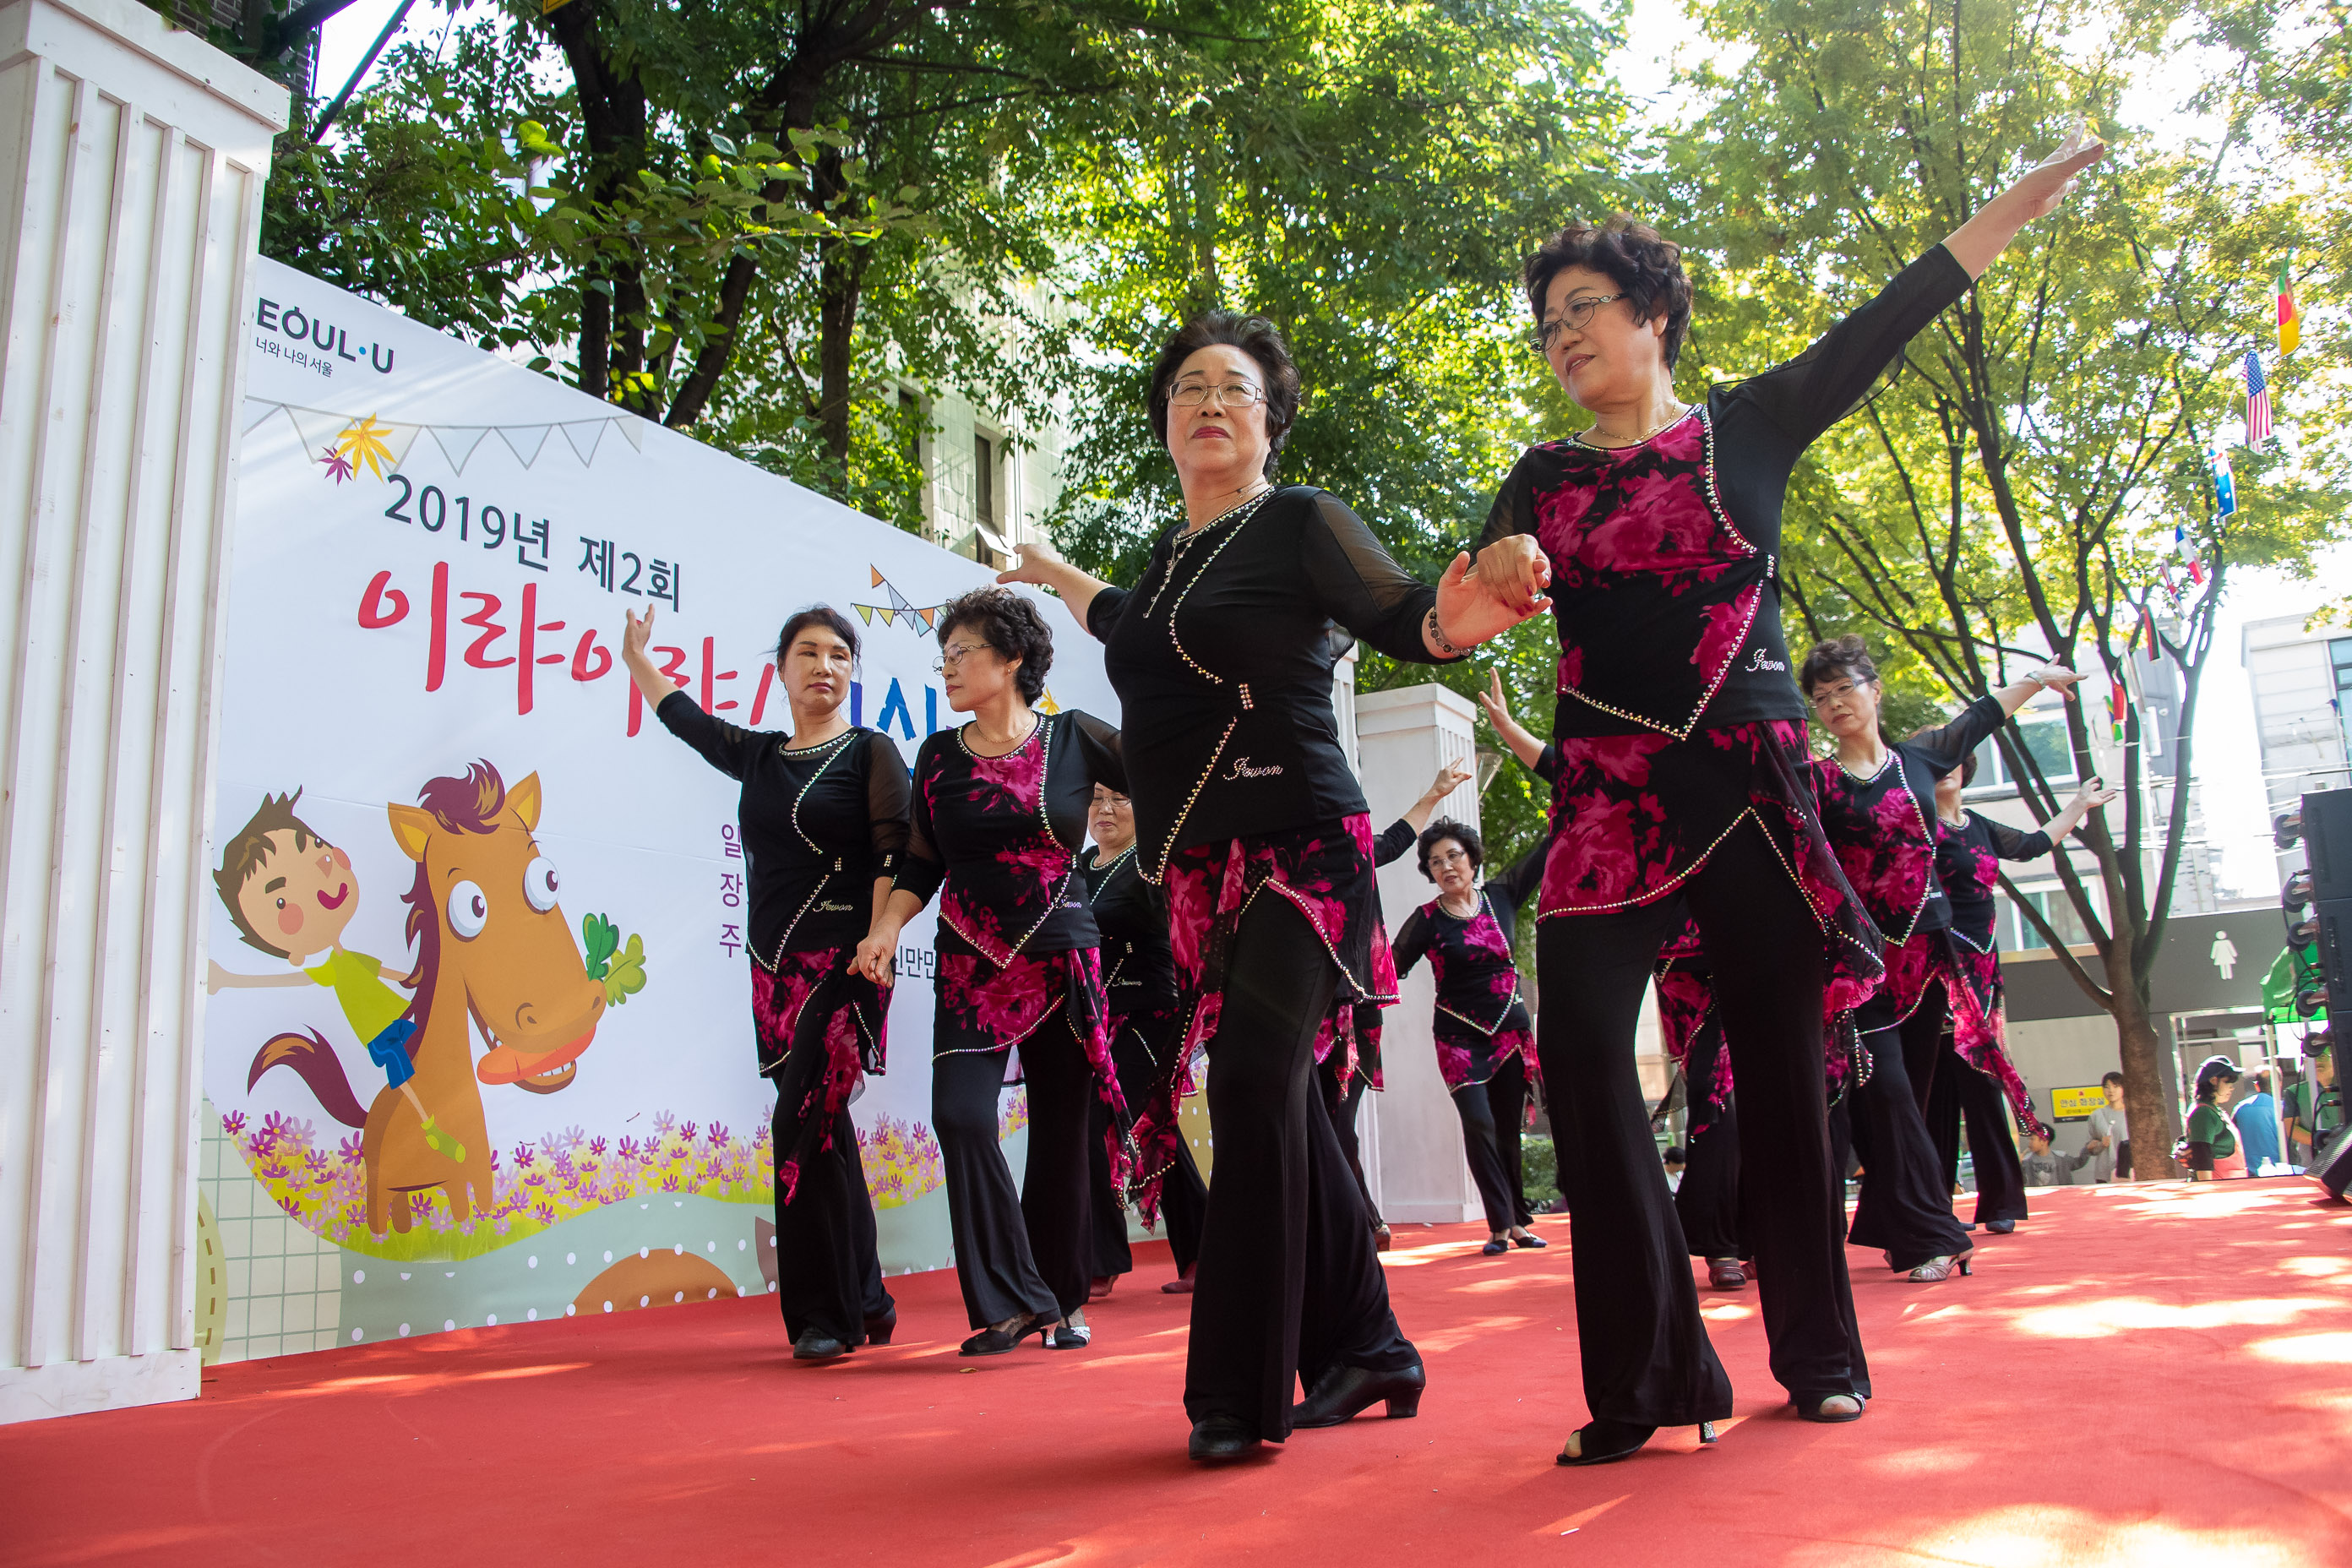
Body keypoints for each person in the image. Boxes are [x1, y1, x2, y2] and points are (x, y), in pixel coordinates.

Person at [1465, 125, 2104, 1462]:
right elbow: (1473, 597)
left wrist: (2015, 206)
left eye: (1583, 307)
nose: (1561, 334)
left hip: (1752, 783)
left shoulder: (1751, 425)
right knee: (1580, 1052)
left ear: (1653, 313)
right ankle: (1647, 1377)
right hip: (1601, 794)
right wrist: (1500, 568)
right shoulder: (1542, 475)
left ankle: (1818, 1354)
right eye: (1545, 323)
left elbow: (1891, 316)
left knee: (1782, 1067)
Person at [999, 310, 1537, 1461]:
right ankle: (1370, 1348)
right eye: (1187, 385)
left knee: (1248, 1087)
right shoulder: (1169, 560)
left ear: (1270, 420)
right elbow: (1133, 632)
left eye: (1234, 387)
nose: (1207, 401)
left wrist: (1459, 617)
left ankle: (1235, 1398)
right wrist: (1051, 574)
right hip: (1204, 874)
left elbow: (1403, 613)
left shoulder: (1300, 522)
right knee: (1281, 1102)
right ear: (1165, 422)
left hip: (1301, 846)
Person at [852, 588, 1128, 1356]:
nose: (947, 667)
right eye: (943, 656)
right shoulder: (938, 755)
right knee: (962, 1118)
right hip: (970, 962)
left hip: (1061, 956)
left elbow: (1163, 776)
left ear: (1009, 660)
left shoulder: (1074, 738)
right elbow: (920, 862)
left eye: (960, 653)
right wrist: (883, 929)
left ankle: (1063, 1301)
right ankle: (1009, 1300)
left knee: (1063, 1138)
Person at [626, 603, 902, 1361]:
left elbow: (892, 851)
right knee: (826, 1131)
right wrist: (636, 659)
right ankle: (871, 1299)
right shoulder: (759, 757)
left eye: (840, 654)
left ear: (853, 672)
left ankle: (824, 1318)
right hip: (772, 968)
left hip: (846, 966)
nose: (825, 665)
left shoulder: (871, 753)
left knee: (799, 1123)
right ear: (780, 671)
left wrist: (880, 937)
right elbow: (686, 719)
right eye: (808, 652)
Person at [1805, 637, 2085, 1282]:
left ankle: (1892, 1222)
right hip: (1865, 965)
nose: (1834, 704)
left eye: (1845, 688)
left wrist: (2038, 681)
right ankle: (1934, 1235)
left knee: (1916, 1094)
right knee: (1890, 1094)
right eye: (1821, 698)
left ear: (1874, 690)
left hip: (1932, 958)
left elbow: (1979, 718)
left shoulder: (1919, 761)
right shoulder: (1816, 780)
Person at [1927, 754, 2117, 1232]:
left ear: (1967, 770)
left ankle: (2001, 1204)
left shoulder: (1981, 827)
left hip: (1984, 970)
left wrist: (2078, 803)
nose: (1943, 769)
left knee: (1985, 1083)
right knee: (1935, 1090)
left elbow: (2033, 845)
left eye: (1952, 762)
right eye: (1932, 763)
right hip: (1932, 968)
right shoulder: (1914, 826)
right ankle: (1932, 1211)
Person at [1337, 762, 1478, 1253]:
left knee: (1337, 1121)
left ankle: (1365, 1220)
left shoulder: (1355, 850)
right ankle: (1350, 1222)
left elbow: (1396, 838)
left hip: (1354, 1010)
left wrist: (1436, 792)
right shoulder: (1289, 858)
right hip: (1301, 1009)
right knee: (1319, 1124)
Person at [1391, 818, 1548, 1256]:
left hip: (1509, 1032)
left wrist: (1574, 797)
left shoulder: (1502, 896)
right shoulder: (1425, 920)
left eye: (1453, 856)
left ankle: (1518, 1222)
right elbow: (1389, 964)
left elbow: (1543, 852)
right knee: (1479, 1123)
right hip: (1458, 1036)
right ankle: (1499, 1226)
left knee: (1506, 1130)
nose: (1446, 867)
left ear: (1472, 858)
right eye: (1435, 862)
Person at [1082, 783, 1208, 1298]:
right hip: (1091, 1019)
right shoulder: (1077, 868)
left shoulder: (1153, 865)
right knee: (1157, 1130)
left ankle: (1100, 1260)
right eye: (1095, 799)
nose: (1106, 810)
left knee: (1098, 1120)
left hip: (1152, 1014)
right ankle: (1205, 1252)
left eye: (1120, 799)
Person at [2181, 1056, 2243, 1180]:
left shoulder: (2216, 1111)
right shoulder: (2203, 1113)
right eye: (2228, 1081)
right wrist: (2208, 1192)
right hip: (2217, 1190)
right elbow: (2202, 1159)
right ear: (2214, 1081)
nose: (2232, 1087)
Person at [2284, 1040, 2342, 1167]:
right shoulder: (2294, 1092)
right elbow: (2291, 1128)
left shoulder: (2346, 1086)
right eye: (2313, 1057)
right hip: (2311, 1163)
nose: (2318, 1061)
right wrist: (2320, 1140)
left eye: (2322, 1056)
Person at [2231, 1071, 2284, 1176]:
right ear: (2279, 1083)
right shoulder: (2282, 1108)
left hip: (2246, 1173)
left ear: (2256, 1085)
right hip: (2278, 1171)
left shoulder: (2240, 1108)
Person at [2086, 1071, 2131, 1182]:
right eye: (2107, 1087)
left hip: (2128, 1171)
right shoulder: (2096, 1115)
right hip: (2104, 1172)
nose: (2111, 1091)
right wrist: (2100, 1145)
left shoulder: (2131, 1114)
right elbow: (2090, 1147)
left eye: (2116, 1086)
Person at [2018, 1128, 2092, 1189]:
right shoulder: (2026, 1160)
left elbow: (2078, 1163)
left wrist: (2087, 1150)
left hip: (2060, 1198)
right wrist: (2018, 1164)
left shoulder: (2061, 1157)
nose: (2029, 1142)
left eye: (2032, 1139)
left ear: (2044, 1141)